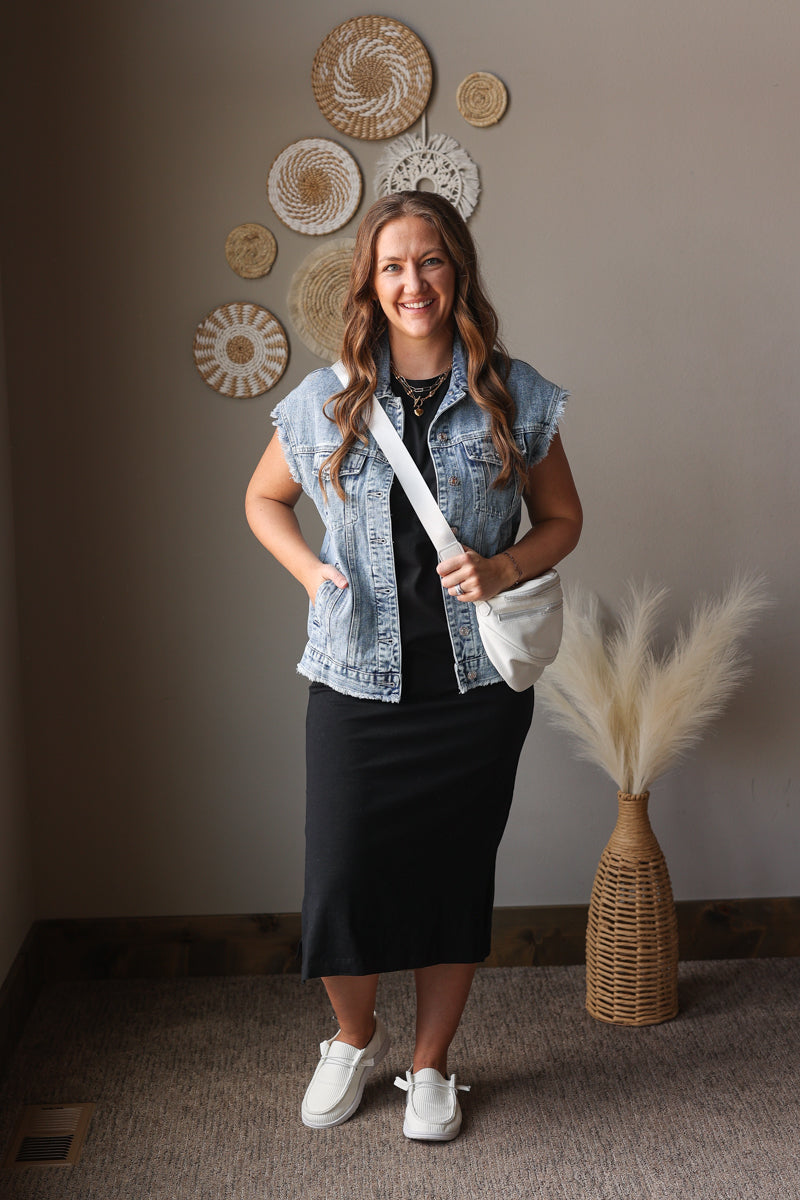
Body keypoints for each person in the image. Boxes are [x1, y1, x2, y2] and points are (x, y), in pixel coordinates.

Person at [245, 191, 582, 1142]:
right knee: (343, 878)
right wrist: (313, 571)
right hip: (356, 680)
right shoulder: (327, 399)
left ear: (457, 269)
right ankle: (352, 1038)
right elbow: (262, 500)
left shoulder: (512, 395)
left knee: (451, 878)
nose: (412, 282)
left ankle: (432, 1068)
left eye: (429, 261)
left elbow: (564, 519)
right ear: (371, 281)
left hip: (474, 692)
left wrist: (507, 563)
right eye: (393, 265)